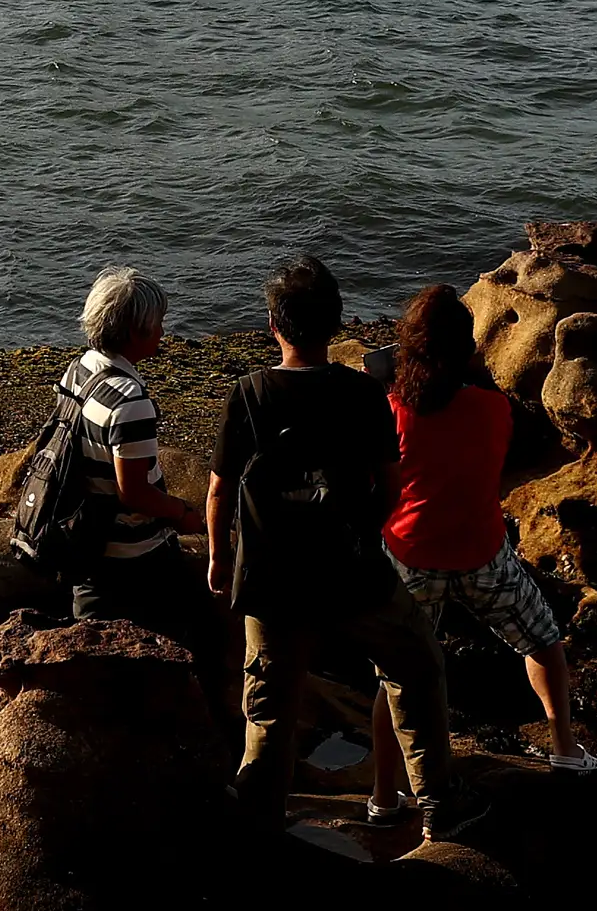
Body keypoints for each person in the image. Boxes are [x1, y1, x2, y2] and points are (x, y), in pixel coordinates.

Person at [208, 253, 467, 835]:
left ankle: (258, 820)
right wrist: (366, 532)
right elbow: (391, 484)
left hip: (274, 579)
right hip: (353, 572)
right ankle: (438, 802)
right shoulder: (362, 392)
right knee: (416, 666)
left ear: (272, 324)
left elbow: (220, 491)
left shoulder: (249, 394)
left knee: (269, 709)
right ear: (336, 324)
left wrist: (220, 560)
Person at [378, 284, 597, 783]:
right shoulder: (493, 408)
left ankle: (387, 790)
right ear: (468, 348)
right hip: (481, 553)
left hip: (411, 555)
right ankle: (564, 749)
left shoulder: (393, 411)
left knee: (397, 677)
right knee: (542, 640)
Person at [50, 266, 222, 662]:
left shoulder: (80, 369)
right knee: (181, 641)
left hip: (85, 539)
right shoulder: (130, 400)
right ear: (134, 331)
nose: (163, 331)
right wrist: (182, 513)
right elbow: (135, 493)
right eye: (157, 323)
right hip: (131, 554)